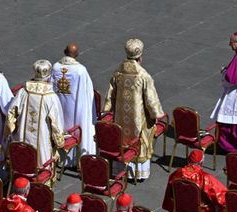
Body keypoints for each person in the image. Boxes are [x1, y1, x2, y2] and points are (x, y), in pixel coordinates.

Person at [103, 39, 164, 182]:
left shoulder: (118, 72)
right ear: (140, 57)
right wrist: (156, 114)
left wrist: (107, 109)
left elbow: (110, 95)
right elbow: (151, 100)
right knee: (142, 136)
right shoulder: (143, 76)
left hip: (120, 116)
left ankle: (119, 169)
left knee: (121, 137)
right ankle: (138, 172)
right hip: (138, 118)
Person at [6, 60, 65, 169]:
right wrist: (59, 142)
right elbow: (56, 124)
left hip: (22, 139)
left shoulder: (23, 92)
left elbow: (11, 114)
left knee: (22, 162)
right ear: (49, 76)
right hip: (42, 141)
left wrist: (13, 130)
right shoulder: (51, 97)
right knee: (41, 164)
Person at [52, 44, 95, 165]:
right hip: (76, 107)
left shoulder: (55, 67)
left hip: (59, 106)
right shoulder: (80, 70)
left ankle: (58, 156)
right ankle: (75, 159)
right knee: (77, 125)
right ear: (76, 54)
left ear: (64, 51)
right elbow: (87, 92)